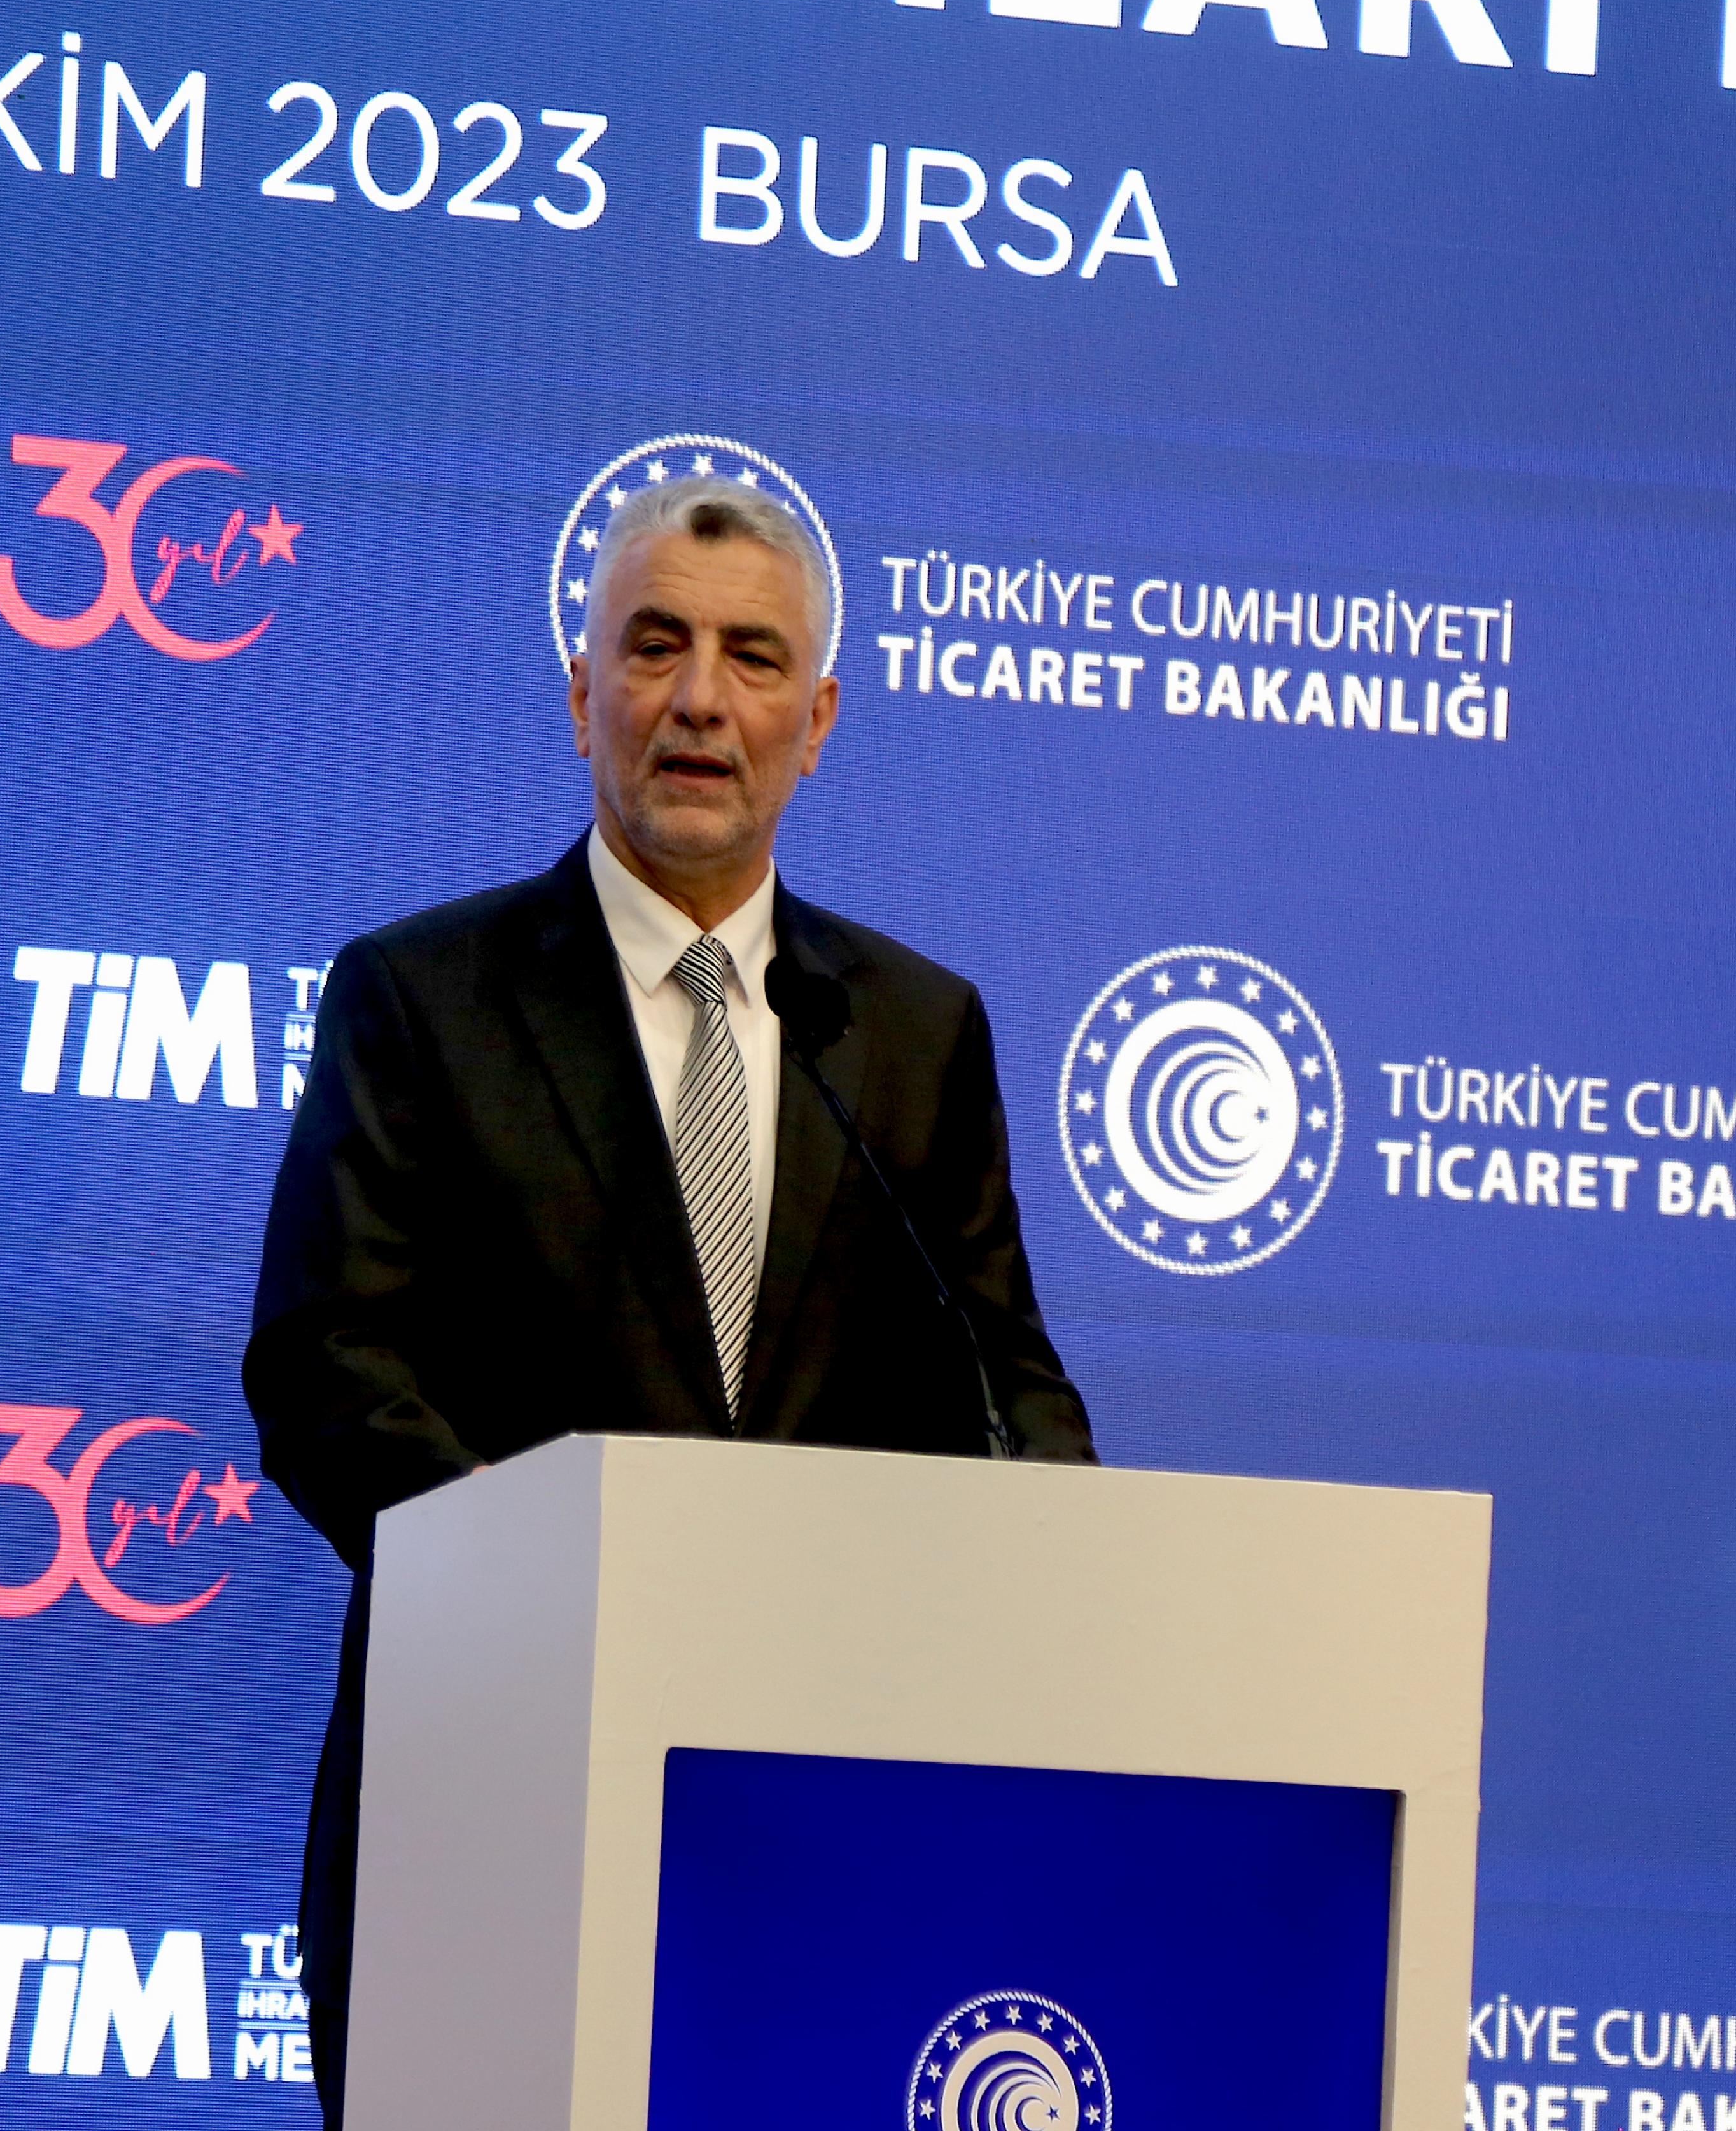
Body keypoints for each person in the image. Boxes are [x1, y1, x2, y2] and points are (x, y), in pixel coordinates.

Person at [241, 472, 1098, 2125]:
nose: (702, 698)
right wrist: (575, 1603)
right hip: (490, 1800)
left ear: (817, 721)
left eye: (753, 658)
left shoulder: (912, 1032)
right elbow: (327, 1368)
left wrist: (1058, 1577)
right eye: (655, 646)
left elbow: (1006, 1380)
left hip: (820, 1827)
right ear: (583, 696)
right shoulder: (422, 1000)